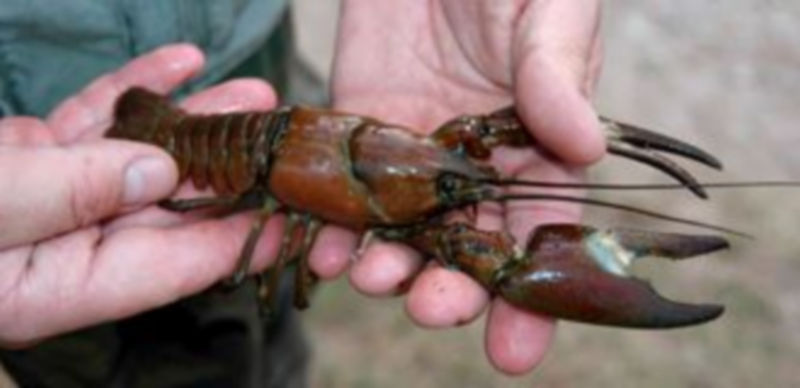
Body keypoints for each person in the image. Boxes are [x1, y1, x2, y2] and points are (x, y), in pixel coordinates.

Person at [0, 0, 604, 385]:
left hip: (243, 40)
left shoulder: (431, 151)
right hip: (55, 123)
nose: (459, 177)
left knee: (276, 308)